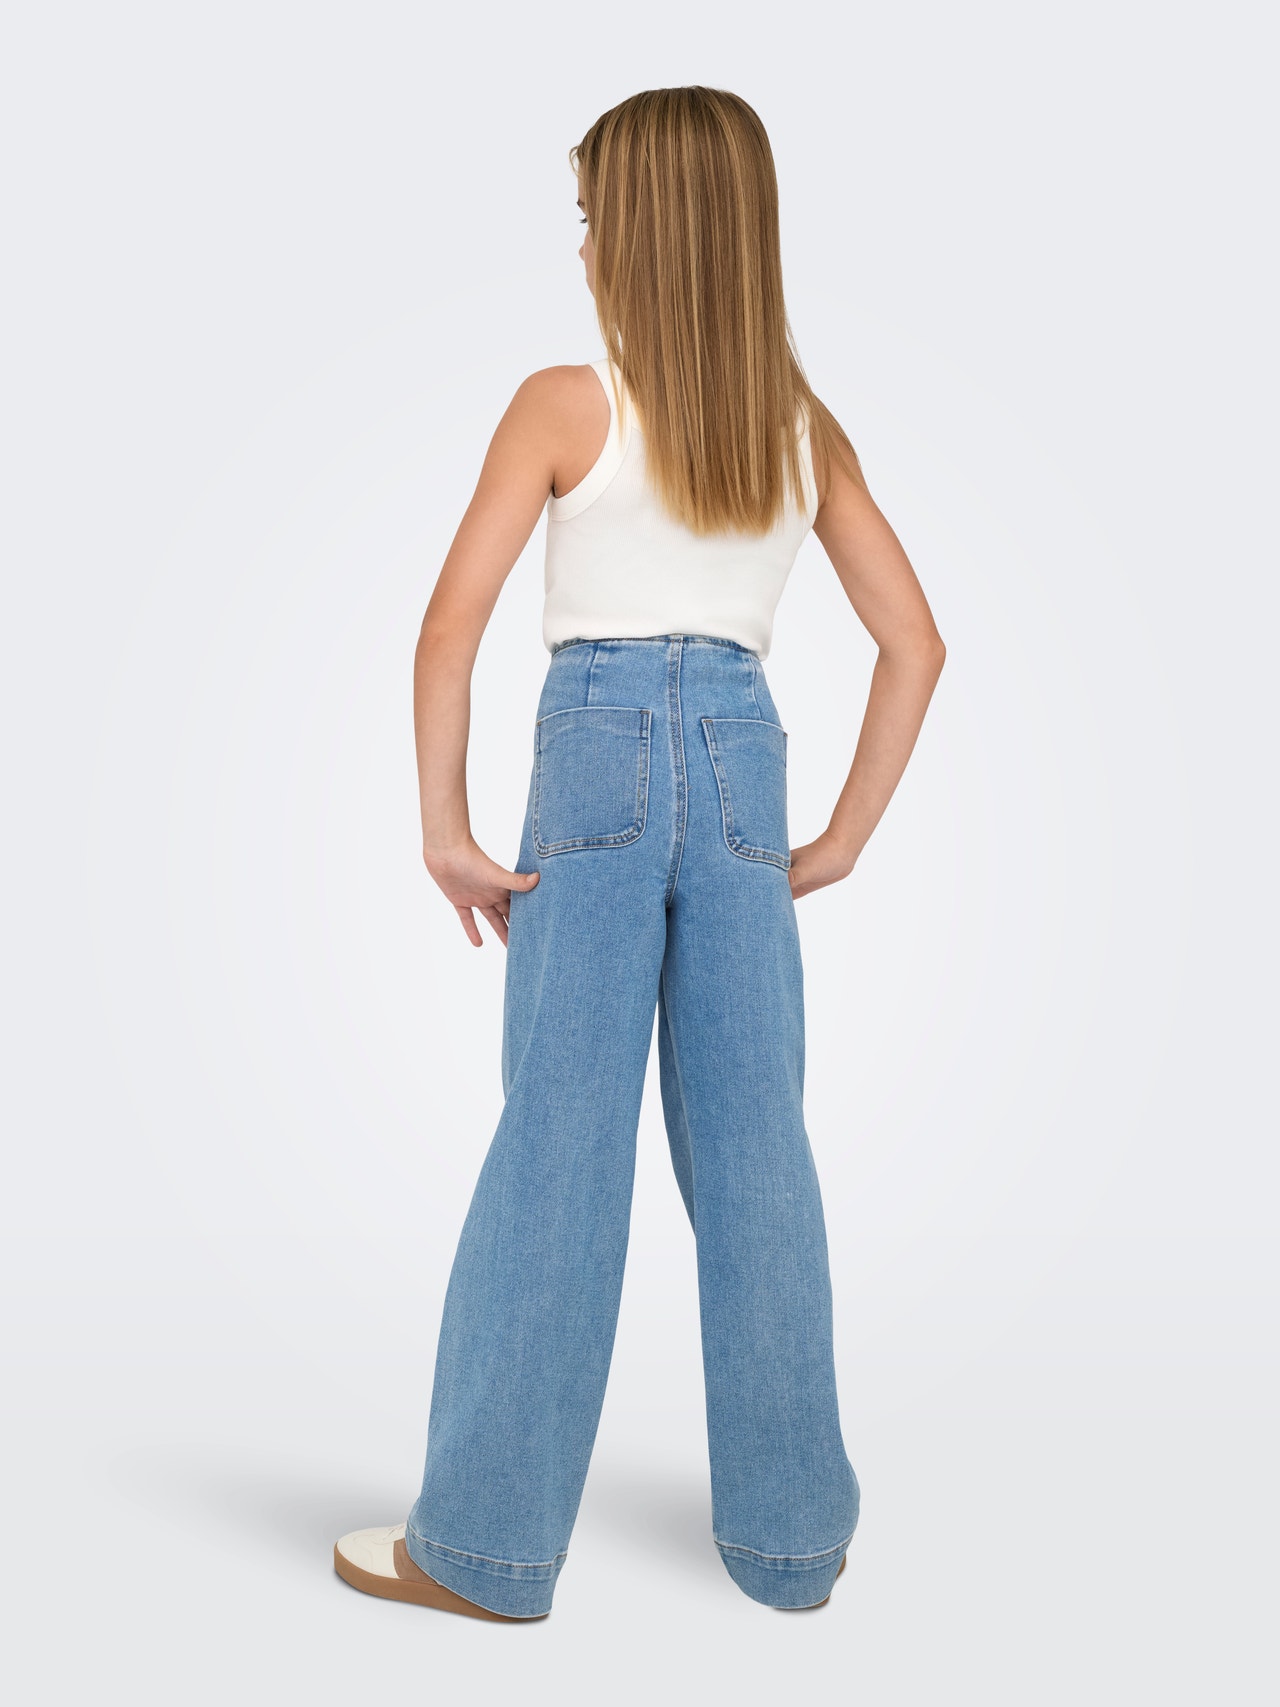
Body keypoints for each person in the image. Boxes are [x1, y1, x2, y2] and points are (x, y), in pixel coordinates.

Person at [334, 85, 946, 1623]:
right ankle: (793, 1544)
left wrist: (445, 830)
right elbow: (915, 644)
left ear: (641, 236)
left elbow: (449, 627)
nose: (584, 244)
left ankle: (483, 1551)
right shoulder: (801, 432)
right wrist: (840, 838)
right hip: (742, 753)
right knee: (757, 1153)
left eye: (594, 215)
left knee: (561, 1141)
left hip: (596, 749)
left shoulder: (565, 404)